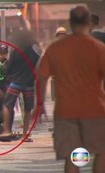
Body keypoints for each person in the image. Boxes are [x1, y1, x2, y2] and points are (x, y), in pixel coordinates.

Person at [36, 6, 105, 173]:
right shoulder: (98, 48)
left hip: (65, 111)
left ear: (70, 23)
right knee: (101, 153)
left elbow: (41, 76)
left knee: (73, 156)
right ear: (89, 22)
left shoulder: (56, 48)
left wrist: (39, 103)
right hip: (95, 110)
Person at [0, 30, 40, 142]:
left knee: (7, 105)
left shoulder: (16, 51)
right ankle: (25, 134)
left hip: (16, 82)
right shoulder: (35, 54)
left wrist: (5, 72)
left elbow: (8, 67)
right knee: (28, 109)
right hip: (29, 83)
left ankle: (6, 131)